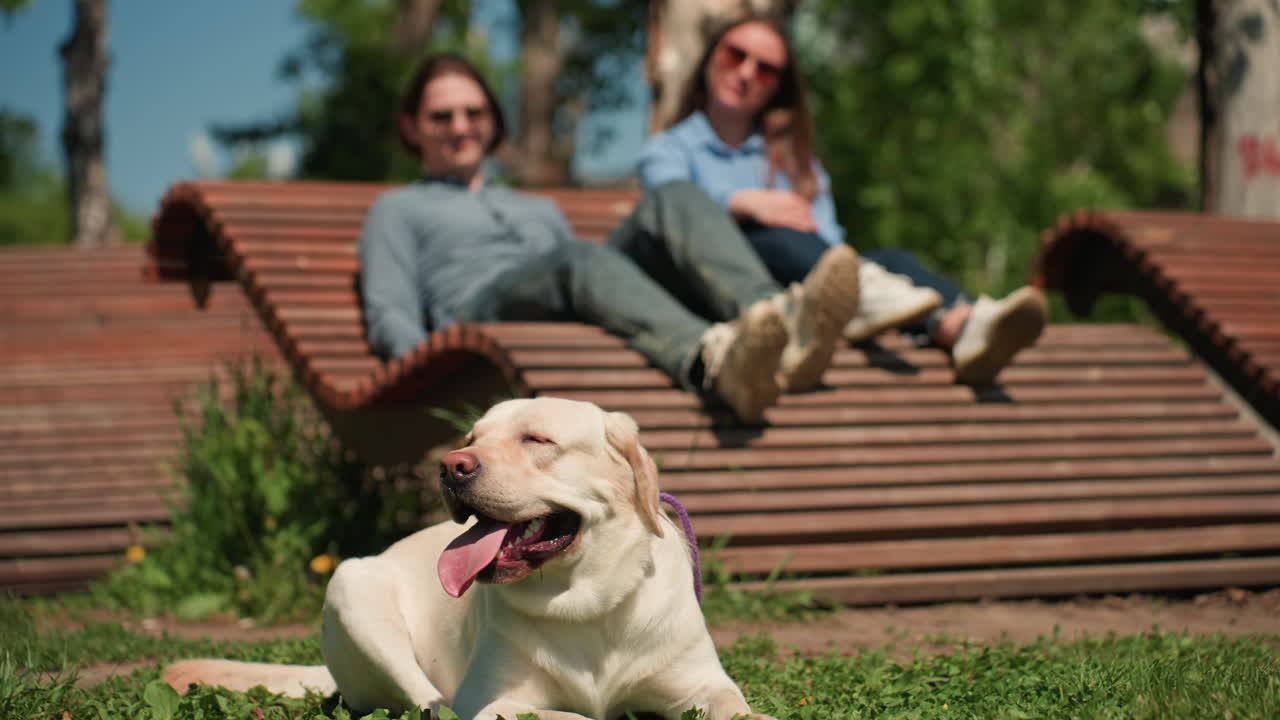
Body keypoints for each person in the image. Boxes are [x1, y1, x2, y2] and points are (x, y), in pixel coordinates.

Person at [359, 52, 861, 423]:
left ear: (493, 121)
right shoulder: (397, 208)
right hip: (477, 321)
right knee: (577, 258)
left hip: (565, 291)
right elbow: (391, 311)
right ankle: (715, 359)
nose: (461, 127)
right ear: (412, 127)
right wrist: (428, 381)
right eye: (442, 117)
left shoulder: (536, 206)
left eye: (474, 113)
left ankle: (781, 326)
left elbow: (586, 278)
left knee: (675, 197)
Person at [638, 15, 1048, 385]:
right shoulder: (669, 149)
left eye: (765, 69)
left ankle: (962, 325)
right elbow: (669, 210)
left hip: (804, 285)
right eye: (735, 55)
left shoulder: (796, 162)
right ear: (710, 59)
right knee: (770, 233)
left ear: (778, 87)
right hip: (722, 290)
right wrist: (745, 203)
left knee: (892, 258)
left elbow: (828, 245)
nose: (746, 73)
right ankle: (880, 300)